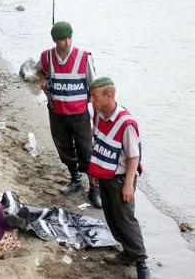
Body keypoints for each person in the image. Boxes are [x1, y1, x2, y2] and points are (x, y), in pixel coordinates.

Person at [88, 77, 150, 279]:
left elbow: (134, 157)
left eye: (94, 96)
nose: (91, 100)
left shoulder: (126, 123)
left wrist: (129, 185)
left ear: (109, 95)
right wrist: (95, 172)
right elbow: (98, 142)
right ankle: (127, 253)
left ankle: (141, 263)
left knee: (126, 221)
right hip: (105, 176)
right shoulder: (98, 115)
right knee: (112, 219)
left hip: (121, 179)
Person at [35, 21, 101, 208]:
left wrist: (98, 116)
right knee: (63, 147)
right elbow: (39, 70)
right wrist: (43, 81)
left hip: (79, 114)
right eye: (62, 39)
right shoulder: (47, 56)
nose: (67, 42)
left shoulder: (83, 57)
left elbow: (94, 87)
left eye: (68, 37)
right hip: (56, 112)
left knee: (86, 151)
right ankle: (75, 179)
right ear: (55, 41)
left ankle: (94, 189)